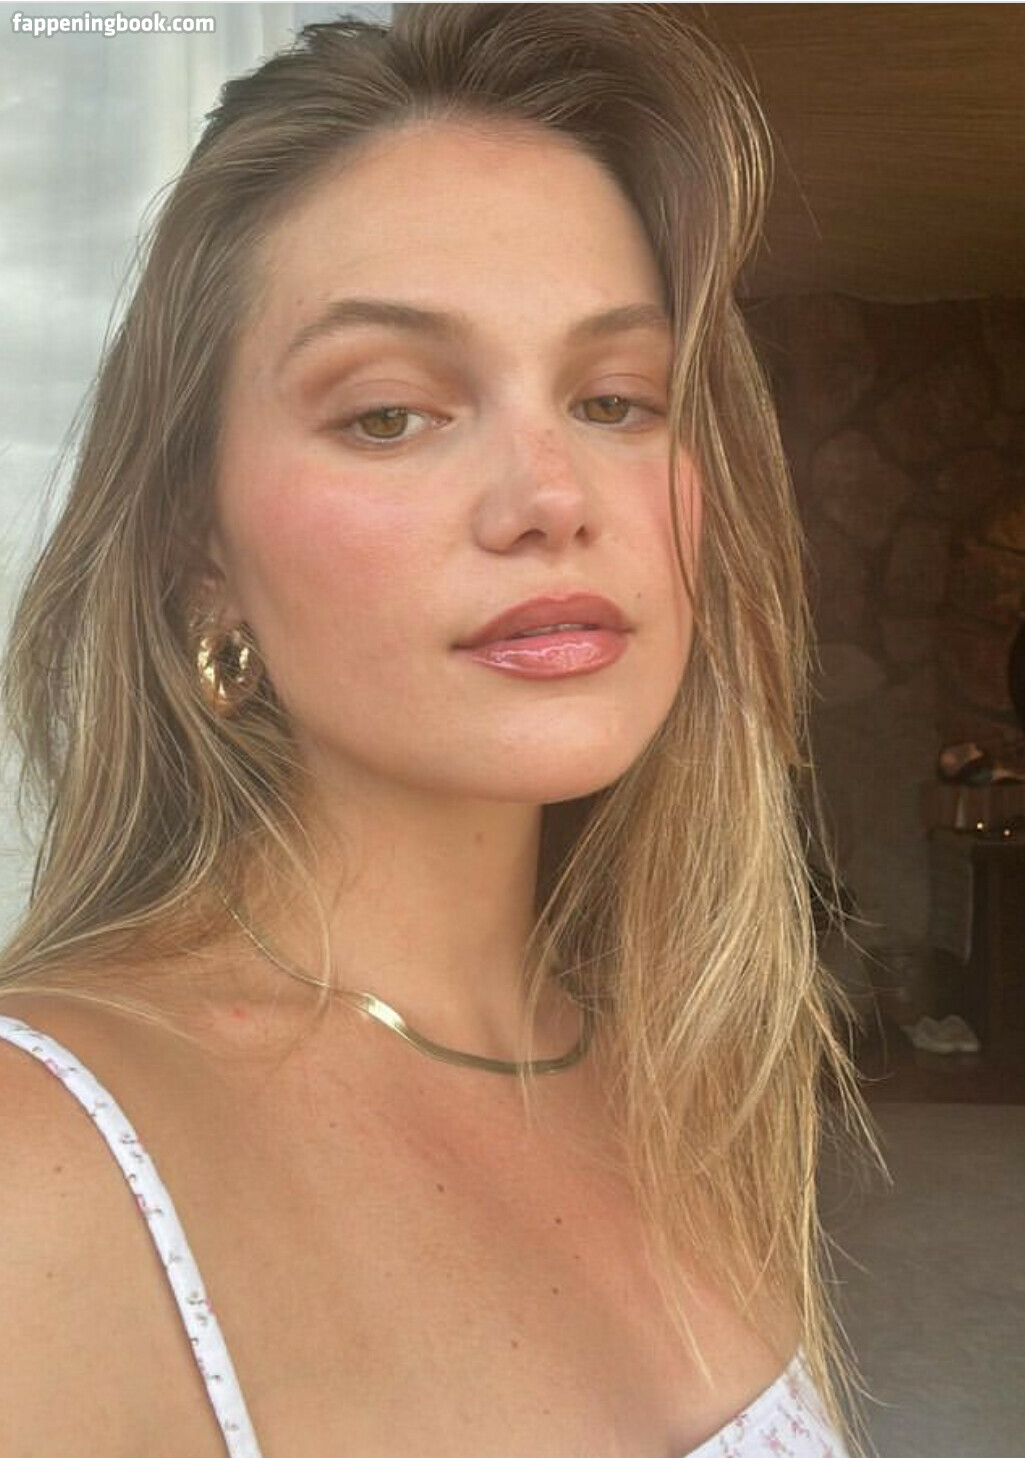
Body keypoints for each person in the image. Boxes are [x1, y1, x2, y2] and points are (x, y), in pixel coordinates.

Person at [0, 6, 881, 1456]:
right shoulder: (44, 1168)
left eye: (615, 399)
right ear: (197, 552)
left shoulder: (688, 1075)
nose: (551, 495)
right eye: (391, 414)